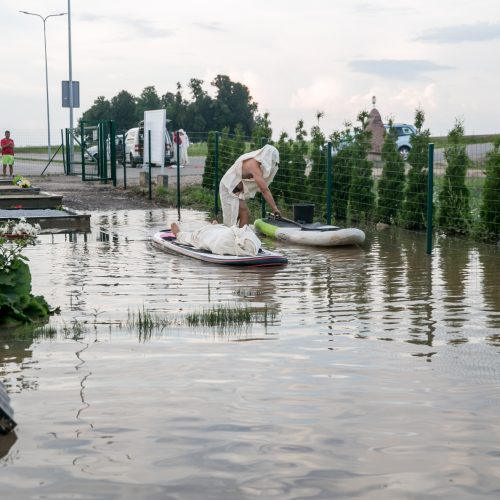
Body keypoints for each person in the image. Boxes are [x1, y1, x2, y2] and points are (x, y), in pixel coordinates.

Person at [219, 144, 281, 227]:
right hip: (228, 188)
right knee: (244, 213)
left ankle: (237, 235)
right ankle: (241, 237)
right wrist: (274, 208)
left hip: (235, 191)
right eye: (272, 161)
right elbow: (264, 189)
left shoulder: (258, 165)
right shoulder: (253, 165)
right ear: (267, 157)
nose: (273, 164)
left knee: (237, 216)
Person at [171, 221, 261, 256]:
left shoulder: (200, 232)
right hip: (241, 238)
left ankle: (178, 234)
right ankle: (215, 226)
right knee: (223, 231)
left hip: (223, 238)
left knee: (195, 237)